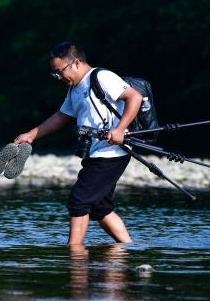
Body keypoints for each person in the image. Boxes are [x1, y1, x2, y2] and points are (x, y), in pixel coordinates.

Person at [13, 42, 142, 245]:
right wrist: (31, 135)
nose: (59, 77)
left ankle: (74, 254)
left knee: (78, 200)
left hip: (112, 152)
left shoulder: (102, 77)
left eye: (60, 71)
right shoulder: (74, 88)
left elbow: (134, 97)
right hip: (94, 153)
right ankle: (127, 248)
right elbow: (61, 116)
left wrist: (119, 129)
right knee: (101, 207)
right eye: (55, 74)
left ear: (76, 63)